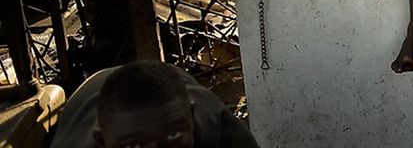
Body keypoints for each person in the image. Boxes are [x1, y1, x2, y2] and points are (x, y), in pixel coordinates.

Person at [49, 60, 260, 148]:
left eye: (172, 136)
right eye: (134, 146)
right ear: (102, 141)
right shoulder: (74, 143)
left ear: (191, 116)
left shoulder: (219, 128)